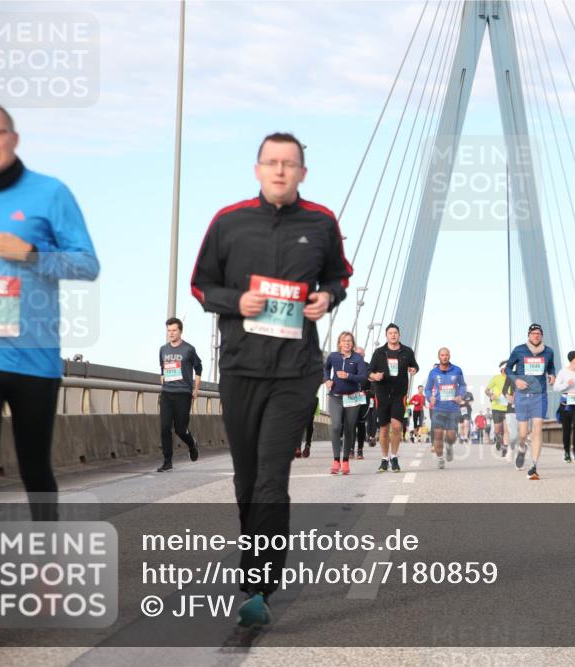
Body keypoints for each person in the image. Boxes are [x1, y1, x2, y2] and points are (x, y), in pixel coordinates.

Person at [0, 101, 100, 643]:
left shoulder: (50, 193)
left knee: (36, 468)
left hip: (35, 358)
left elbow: (87, 262)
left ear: (13, 136)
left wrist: (33, 252)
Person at [191, 131, 352, 628]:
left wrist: (328, 299)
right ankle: (255, 559)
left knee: (270, 477)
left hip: (296, 371)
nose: (280, 171)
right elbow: (201, 284)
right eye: (272, 163)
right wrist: (232, 302)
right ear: (258, 169)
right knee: (245, 480)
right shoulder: (229, 221)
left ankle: (258, 583)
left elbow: (338, 277)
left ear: (303, 172)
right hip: (241, 368)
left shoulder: (321, 222)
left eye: (290, 163)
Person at [505, 324, 556, 480]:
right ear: (528, 335)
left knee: (537, 429)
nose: (536, 336)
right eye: (533, 333)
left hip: (540, 395)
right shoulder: (519, 350)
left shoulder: (548, 351)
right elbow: (508, 369)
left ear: (542, 335)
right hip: (522, 395)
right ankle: (522, 448)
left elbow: (551, 367)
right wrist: (516, 380)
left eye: (539, 333)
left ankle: (533, 466)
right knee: (522, 433)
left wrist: (552, 375)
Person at [368, 324, 419, 473]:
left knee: (397, 426)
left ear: (399, 335)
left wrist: (413, 369)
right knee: (384, 429)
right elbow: (369, 370)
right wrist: (374, 376)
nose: (393, 335)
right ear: (386, 335)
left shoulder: (407, 351)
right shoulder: (379, 352)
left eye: (395, 333)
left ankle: (394, 457)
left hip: (399, 394)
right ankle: (384, 458)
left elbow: (415, 366)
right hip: (382, 394)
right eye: (390, 333)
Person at [157, 317, 202, 471]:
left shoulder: (189, 349)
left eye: (174, 330)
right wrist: (163, 383)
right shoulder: (163, 349)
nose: (171, 333)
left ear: (180, 331)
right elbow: (162, 370)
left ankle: (191, 444)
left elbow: (198, 368)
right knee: (164, 428)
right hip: (167, 393)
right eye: (169, 330)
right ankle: (167, 462)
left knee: (180, 429)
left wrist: (196, 389)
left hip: (183, 393)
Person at [324, 332, 368, 475]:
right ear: (340, 343)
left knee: (349, 429)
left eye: (349, 341)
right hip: (335, 397)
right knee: (336, 426)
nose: (347, 343)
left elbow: (363, 377)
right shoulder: (333, 356)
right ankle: (336, 460)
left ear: (352, 343)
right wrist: (327, 380)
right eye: (344, 341)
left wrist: (348, 376)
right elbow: (325, 369)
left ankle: (345, 461)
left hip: (352, 398)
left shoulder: (358, 358)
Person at [424, 348, 467, 469]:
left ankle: (449, 446)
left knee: (451, 436)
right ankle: (440, 458)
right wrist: (429, 397)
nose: (445, 357)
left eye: (446, 355)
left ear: (449, 356)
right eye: (442, 355)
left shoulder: (457, 370)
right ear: (439, 357)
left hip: (453, 408)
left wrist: (461, 395)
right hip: (438, 407)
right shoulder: (433, 372)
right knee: (438, 435)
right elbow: (427, 388)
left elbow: (463, 385)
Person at [554, 350, 575, 463]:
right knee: (566, 430)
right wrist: (566, 384)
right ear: (572, 359)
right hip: (565, 404)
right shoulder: (563, 372)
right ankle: (567, 452)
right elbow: (556, 388)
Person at [485, 361, 515, 455]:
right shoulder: (496, 378)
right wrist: (490, 395)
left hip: (508, 407)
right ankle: (498, 440)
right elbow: (487, 390)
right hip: (497, 407)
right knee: (498, 430)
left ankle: (505, 447)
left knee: (507, 429)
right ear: (502, 369)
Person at [352, 345, 372, 459]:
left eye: (361, 354)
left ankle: (360, 450)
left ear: (364, 355)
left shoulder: (368, 367)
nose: (359, 356)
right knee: (350, 424)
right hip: (351, 397)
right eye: (357, 354)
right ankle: (350, 449)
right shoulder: (350, 366)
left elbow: (374, 382)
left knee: (360, 423)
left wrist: (370, 392)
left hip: (364, 397)